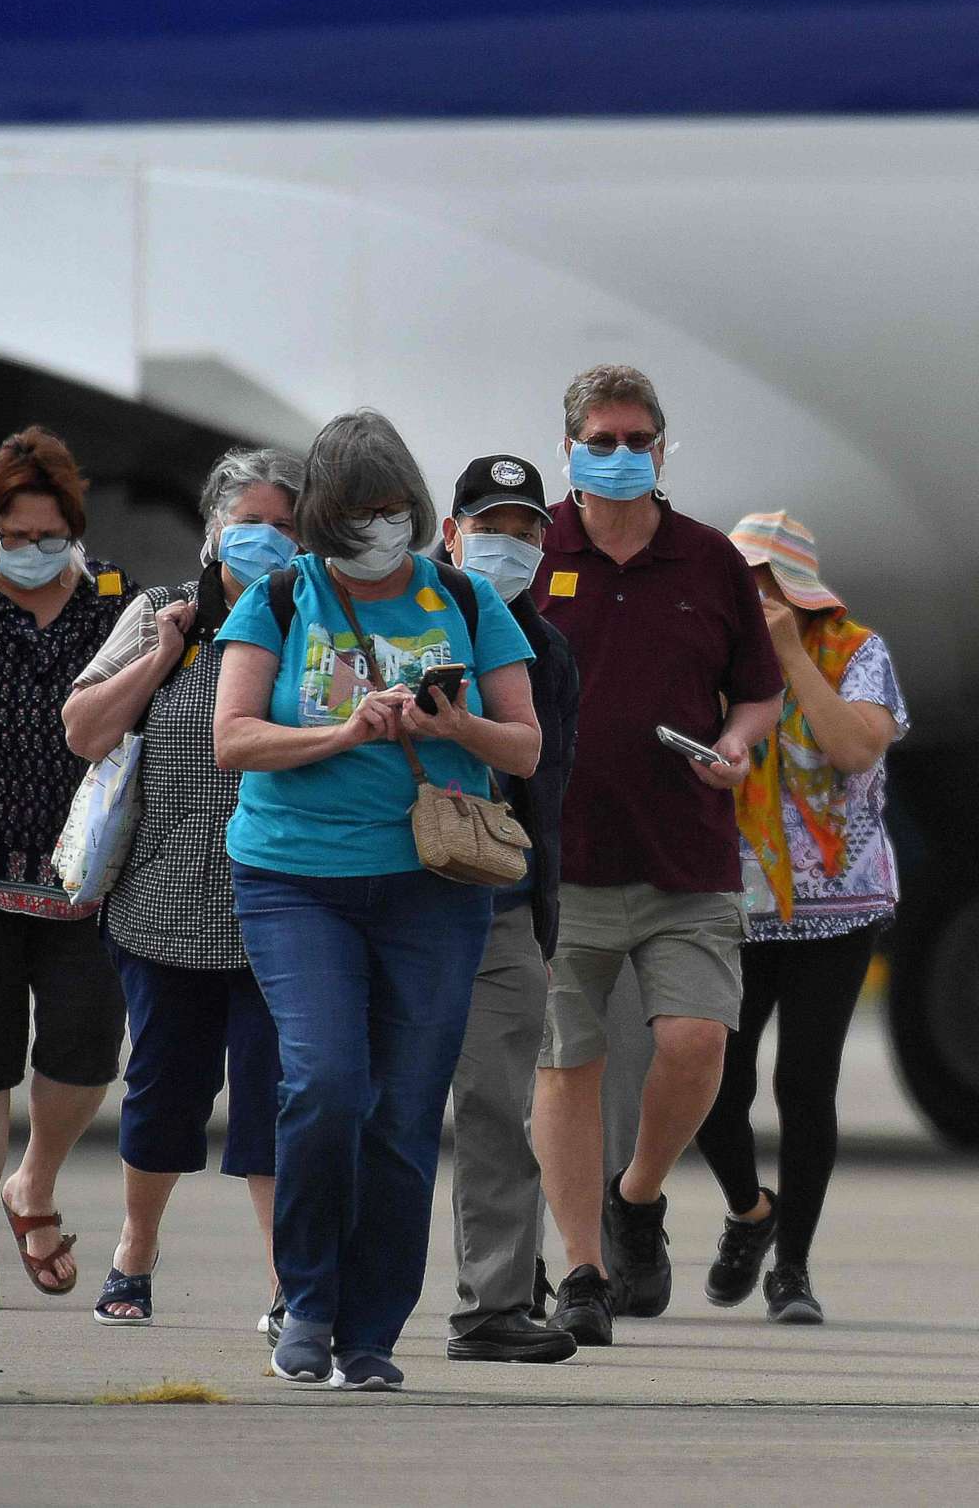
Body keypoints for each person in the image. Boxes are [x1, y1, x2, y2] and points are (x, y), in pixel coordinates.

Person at [214, 410, 540, 1390]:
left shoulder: (465, 596)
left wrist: (459, 722)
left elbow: (524, 745)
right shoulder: (280, 595)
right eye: (358, 515)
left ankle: (371, 1330)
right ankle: (304, 1298)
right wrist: (345, 731)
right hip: (295, 879)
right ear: (323, 519)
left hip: (429, 887)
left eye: (394, 510)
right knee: (322, 1083)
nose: (380, 531)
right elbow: (232, 736)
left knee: (402, 1110)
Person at [529, 365, 784, 1347]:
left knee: (696, 1042)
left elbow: (755, 689)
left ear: (663, 449)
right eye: (605, 438)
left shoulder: (710, 559)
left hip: (685, 852)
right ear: (571, 448)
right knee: (569, 1061)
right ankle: (585, 1269)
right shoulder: (530, 547)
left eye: (640, 438)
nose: (624, 453)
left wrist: (741, 741)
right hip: (562, 856)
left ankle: (638, 1197)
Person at [62, 447, 303, 1331]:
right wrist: (157, 660)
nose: (270, 540)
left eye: (287, 526)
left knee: (278, 1094)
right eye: (252, 524)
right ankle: (134, 1248)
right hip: (163, 902)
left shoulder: (315, 620)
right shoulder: (162, 612)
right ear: (213, 531)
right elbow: (84, 732)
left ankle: (289, 1284)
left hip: (283, 902)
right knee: (164, 1092)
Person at [692, 512, 907, 1325]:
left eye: (762, 584)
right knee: (714, 1077)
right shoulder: (709, 648)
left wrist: (787, 658)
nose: (748, 599)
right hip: (729, 900)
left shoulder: (857, 651)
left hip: (839, 904)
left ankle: (794, 1270)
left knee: (805, 1083)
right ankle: (750, 1209)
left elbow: (855, 749)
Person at [0, 429, 136, 1311]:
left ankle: (35, 1181)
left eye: (51, 536)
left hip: (82, 872)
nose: (35, 552)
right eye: (17, 537)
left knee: (85, 1048)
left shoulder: (113, 601)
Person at [436, 455, 582, 1366]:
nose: (511, 544)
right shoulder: (397, 622)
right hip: (387, 894)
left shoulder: (547, 654)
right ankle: (318, 1297)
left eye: (528, 530)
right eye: (492, 526)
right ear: (450, 532)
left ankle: (494, 1305)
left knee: (495, 1106)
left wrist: (541, 916)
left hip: (498, 901)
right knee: (362, 1099)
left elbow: (543, 787)